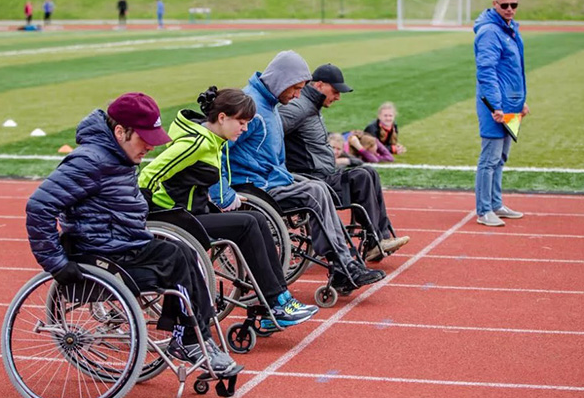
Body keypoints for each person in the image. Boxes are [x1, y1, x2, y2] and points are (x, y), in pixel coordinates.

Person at [25, 92, 240, 375]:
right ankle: (190, 339)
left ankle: (197, 338)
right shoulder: (89, 161)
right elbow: (39, 206)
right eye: (145, 139)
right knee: (177, 259)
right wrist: (56, 263)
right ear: (119, 131)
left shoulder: (119, 157)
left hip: (125, 246)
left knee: (187, 253)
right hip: (100, 256)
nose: (150, 147)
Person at [139, 86, 318, 329]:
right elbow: (148, 174)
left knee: (255, 218)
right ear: (222, 118)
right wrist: (144, 215)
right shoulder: (196, 143)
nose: (244, 129)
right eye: (241, 122)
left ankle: (279, 299)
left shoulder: (215, 140)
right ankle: (275, 302)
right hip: (176, 220)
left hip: (195, 213)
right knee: (246, 224)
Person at [211, 50, 385, 291]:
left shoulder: (269, 104)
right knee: (314, 191)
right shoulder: (252, 108)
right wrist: (221, 190)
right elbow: (215, 148)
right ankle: (342, 266)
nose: (297, 95)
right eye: (295, 89)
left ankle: (343, 264)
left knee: (319, 188)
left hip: (271, 178)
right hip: (253, 186)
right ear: (282, 81)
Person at [279, 63, 409, 262]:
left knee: (368, 172)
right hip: (310, 179)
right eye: (335, 91)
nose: (338, 97)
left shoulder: (311, 106)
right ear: (319, 85)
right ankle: (375, 241)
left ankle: (379, 238)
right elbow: (271, 134)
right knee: (363, 176)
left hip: (322, 173)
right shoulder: (298, 108)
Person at [473, 0, 530, 227]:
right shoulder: (489, 32)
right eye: (504, 5)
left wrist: (520, 101)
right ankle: (484, 210)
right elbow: (487, 72)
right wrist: (496, 106)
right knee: (490, 158)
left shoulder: (510, 29)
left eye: (513, 5)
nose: (509, 9)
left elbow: (513, 71)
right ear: (495, 4)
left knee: (501, 157)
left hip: (510, 105)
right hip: (495, 107)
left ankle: (496, 204)